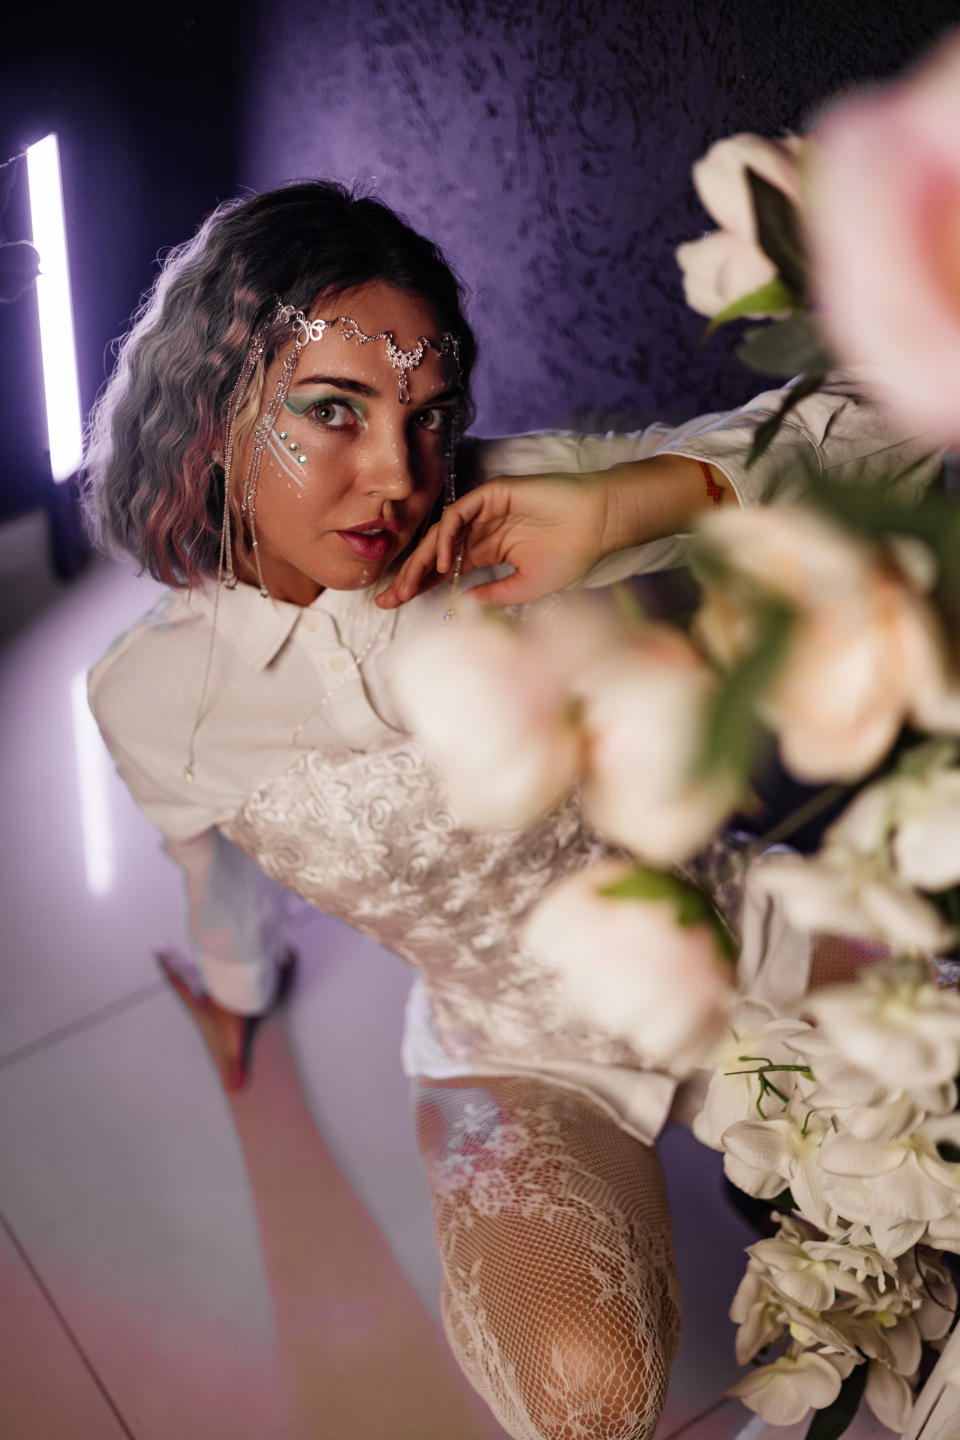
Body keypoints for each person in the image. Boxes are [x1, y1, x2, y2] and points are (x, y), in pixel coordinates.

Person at [83, 180, 941, 1440]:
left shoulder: (511, 504)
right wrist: (239, 991)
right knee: (584, 1389)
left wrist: (635, 503)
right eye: (333, 410)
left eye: (429, 416)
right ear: (215, 409)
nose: (398, 475)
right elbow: (210, 869)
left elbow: (903, 421)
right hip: (514, 1050)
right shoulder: (149, 699)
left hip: (734, 930)